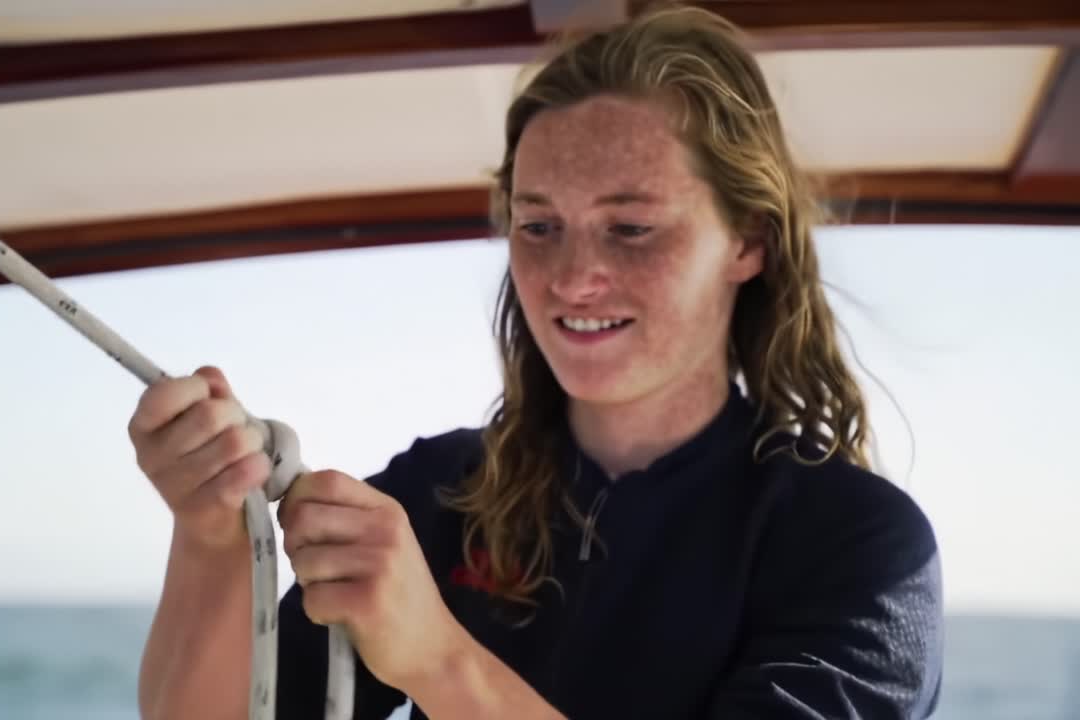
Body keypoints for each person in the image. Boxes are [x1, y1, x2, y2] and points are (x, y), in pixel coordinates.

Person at [129, 5, 943, 719]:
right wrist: (209, 535)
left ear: (749, 241)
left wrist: (441, 663)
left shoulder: (858, 546)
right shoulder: (440, 496)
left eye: (631, 228)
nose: (572, 277)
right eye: (539, 226)